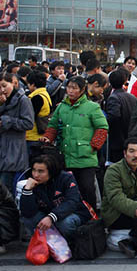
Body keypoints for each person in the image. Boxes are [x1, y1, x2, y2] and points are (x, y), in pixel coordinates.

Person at [41, 76, 109, 209]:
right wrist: (48, 138)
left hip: (85, 157)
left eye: (74, 88)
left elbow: (102, 128)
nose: (70, 91)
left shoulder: (92, 107)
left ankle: (91, 217)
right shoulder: (62, 107)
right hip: (65, 155)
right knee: (66, 189)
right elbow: (53, 125)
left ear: (82, 90)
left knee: (87, 189)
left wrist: (93, 146)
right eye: (69, 87)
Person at [19, 154, 91, 242]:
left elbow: (72, 202)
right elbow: (27, 213)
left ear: (51, 172)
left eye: (41, 171)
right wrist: (27, 190)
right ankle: (46, 244)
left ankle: (72, 244)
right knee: (28, 219)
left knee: (64, 223)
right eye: (34, 170)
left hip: (73, 213)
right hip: (48, 214)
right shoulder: (32, 183)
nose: (36, 175)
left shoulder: (66, 178)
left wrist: (51, 217)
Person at [0, 73, 34, 188]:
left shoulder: (23, 100)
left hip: (14, 147)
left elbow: (28, 123)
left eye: (5, 86)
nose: (2, 90)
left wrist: (8, 121)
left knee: (5, 186)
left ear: (13, 84)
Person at [105, 69, 136, 164]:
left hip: (117, 139)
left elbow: (113, 116)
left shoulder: (114, 97)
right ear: (125, 81)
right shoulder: (132, 97)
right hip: (129, 136)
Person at [25, 70, 53, 161]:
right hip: (40, 136)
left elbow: (29, 116)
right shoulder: (45, 94)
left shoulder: (36, 97)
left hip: (33, 136)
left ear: (32, 84)